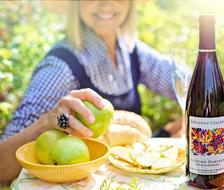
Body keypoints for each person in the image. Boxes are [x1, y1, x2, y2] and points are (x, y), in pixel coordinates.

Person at [0, 0, 189, 182]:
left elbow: (193, 83)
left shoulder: (131, 51)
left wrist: (194, 118)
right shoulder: (60, 67)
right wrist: (47, 123)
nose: (105, 3)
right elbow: (2, 166)